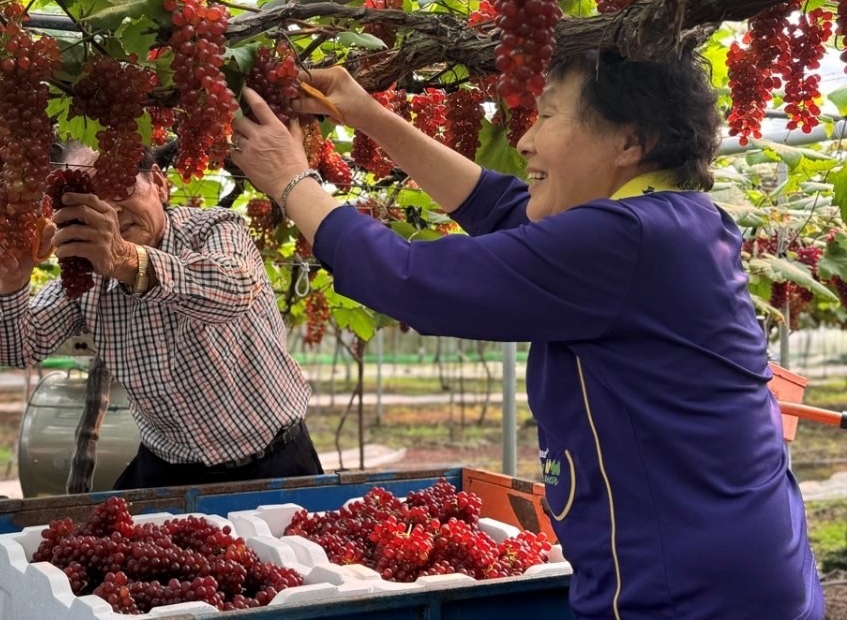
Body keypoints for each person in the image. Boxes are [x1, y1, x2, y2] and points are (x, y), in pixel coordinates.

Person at [229, 51, 823, 620]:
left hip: (687, 594)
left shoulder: (628, 240)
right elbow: (501, 206)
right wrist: (367, 115)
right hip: (726, 569)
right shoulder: (670, 224)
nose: (524, 139)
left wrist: (291, 181)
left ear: (628, 142)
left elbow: (412, 283)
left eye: (547, 113)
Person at [0, 141, 323, 490]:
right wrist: (11, 282)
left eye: (119, 187)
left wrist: (127, 261)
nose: (109, 211)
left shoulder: (214, 228)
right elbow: (12, 349)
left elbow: (233, 287)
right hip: (166, 471)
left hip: (276, 461)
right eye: (88, 200)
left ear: (158, 182)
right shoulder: (88, 273)